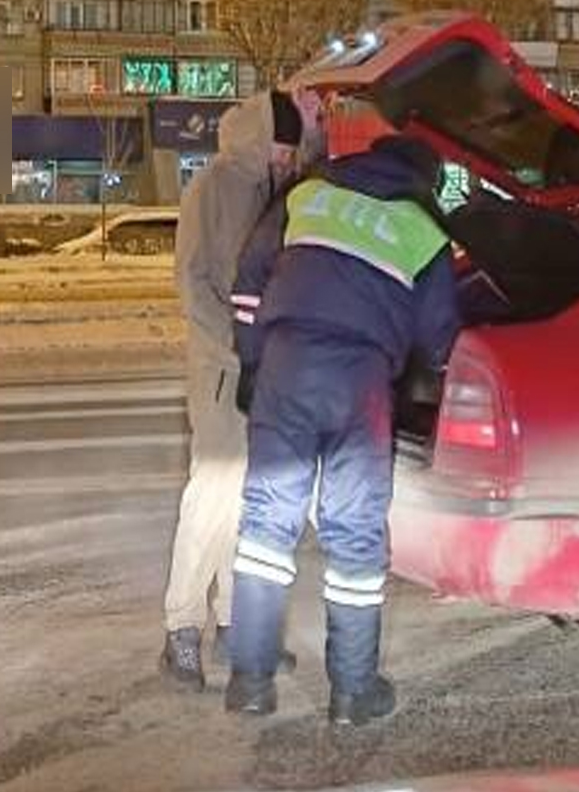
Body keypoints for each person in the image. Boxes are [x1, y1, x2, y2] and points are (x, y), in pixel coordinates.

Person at [223, 134, 461, 725]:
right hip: (360, 383)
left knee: (265, 524)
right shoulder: (423, 227)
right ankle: (353, 693)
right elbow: (439, 340)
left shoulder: (311, 192)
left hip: (286, 362)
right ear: (426, 179)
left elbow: (249, 279)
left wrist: (253, 360)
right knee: (354, 531)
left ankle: (249, 682)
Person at [159, 89, 325, 691]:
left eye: (291, 147)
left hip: (261, 367)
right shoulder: (214, 186)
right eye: (283, 144)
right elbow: (193, 280)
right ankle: (182, 629)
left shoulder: (273, 185)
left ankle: (235, 628)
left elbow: (318, 177)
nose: (288, 156)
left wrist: (313, 127)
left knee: (247, 505)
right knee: (212, 496)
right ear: (260, 138)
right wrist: (233, 346)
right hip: (222, 368)